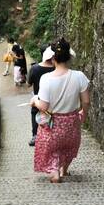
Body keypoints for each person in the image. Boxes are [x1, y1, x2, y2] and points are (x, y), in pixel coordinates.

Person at [30, 38, 90, 183]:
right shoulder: (79, 76)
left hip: (53, 123)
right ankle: (64, 170)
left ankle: (55, 172)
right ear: (69, 57)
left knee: (52, 147)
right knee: (69, 147)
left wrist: (34, 101)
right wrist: (84, 113)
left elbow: (43, 106)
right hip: (72, 122)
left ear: (52, 59)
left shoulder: (46, 78)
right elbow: (86, 101)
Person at [26, 46, 55, 146]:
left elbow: (28, 84)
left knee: (35, 112)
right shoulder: (55, 67)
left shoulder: (34, 68)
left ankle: (35, 135)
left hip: (38, 97)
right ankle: (51, 134)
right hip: (53, 98)